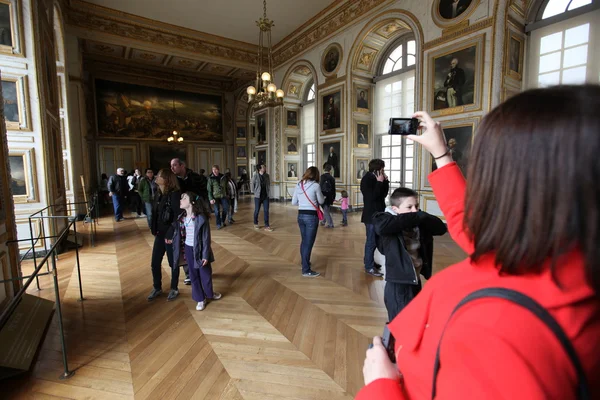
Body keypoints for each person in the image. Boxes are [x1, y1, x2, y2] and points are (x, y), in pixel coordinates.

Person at [358, 86, 600, 399]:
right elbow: (471, 224)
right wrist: (441, 155)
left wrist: (381, 386)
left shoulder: (505, 331)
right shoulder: (554, 253)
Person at [372, 188, 447, 322]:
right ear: (395, 209)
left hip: (414, 279)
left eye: (416, 206)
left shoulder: (417, 221)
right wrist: (417, 216)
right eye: (409, 207)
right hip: (398, 284)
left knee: (415, 321)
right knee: (400, 324)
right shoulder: (385, 219)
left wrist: (421, 216)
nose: (415, 210)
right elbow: (380, 227)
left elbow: (441, 228)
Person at [169, 192, 222, 311]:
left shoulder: (201, 218)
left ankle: (209, 293)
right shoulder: (181, 217)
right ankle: (200, 298)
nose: (181, 200)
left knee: (206, 274)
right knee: (193, 275)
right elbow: (179, 235)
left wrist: (205, 255)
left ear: (192, 202)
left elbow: (206, 238)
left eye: (184, 198)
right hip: (188, 248)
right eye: (181, 197)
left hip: (200, 249)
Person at [147, 168, 182, 302]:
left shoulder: (174, 194)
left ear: (166, 179)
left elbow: (178, 216)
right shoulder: (158, 193)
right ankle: (157, 287)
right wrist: (154, 229)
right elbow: (155, 215)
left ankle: (174, 288)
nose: (156, 177)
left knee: (173, 263)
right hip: (159, 234)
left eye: (159, 175)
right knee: (155, 262)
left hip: (170, 235)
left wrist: (170, 234)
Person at [291, 166, 324, 277]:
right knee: (308, 243)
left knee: (304, 241)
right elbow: (321, 200)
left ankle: (304, 262)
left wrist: (303, 203)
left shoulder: (299, 184)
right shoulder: (315, 185)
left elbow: (294, 202)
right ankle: (306, 270)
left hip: (300, 216)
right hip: (311, 217)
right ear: (316, 175)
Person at [361, 159, 389, 277]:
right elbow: (372, 197)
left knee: (376, 240)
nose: (383, 170)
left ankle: (369, 261)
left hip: (378, 215)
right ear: (377, 169)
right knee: (371, 241)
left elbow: (383, 195)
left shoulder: (377, 178)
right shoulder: (367, 179)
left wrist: (385, 182)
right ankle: (369, 267)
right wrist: (379, 182)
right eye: (382, 168)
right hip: (371, 216)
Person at [207, 165, 229, 230]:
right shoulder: (210, 178)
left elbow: (226, 186)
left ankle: (222, 220)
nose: (214, 171)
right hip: (215, 197)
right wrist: (210, 198)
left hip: (223, 196)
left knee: (226, 208)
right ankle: (218, 224)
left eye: (216, 169)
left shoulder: (223, 177)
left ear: (218, 170)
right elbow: (209, 190)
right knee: (217, 211)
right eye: (213, 170)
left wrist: (227, 193)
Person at [252, 163, 273, 231]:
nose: (264, 168)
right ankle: (255, 223)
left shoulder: (267, 176)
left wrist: (268, 191)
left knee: (266, 211)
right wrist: (254, 192)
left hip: (265, 196)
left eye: (264, 167)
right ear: (259, 169)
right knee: (257, 210)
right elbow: (252, 184)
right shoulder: (255, 176)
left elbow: (268, 184)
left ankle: (267, 225)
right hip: (258, 196)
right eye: (263, 167)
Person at [320, 164, 336, 228]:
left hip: (324, 195)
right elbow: (334, 189)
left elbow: (320, 186)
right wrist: (333, 197)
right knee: (326, 209)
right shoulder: (332, 178)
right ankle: (323, 221)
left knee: (325, 210)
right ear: (330, 170)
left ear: (324, 169)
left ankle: (330, 224)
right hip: (330, 196)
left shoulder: (322, 176)